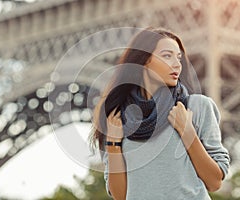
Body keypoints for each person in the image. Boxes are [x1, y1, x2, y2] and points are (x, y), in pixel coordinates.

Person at [89, 27, 230, 200]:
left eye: (178, 57)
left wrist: (188, 133)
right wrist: (113, 144)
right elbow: (121, 196)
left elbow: (214, 182)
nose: (177, 64)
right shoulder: (116, 116)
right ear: (144, 59)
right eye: (167, 56)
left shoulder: (196, 106)